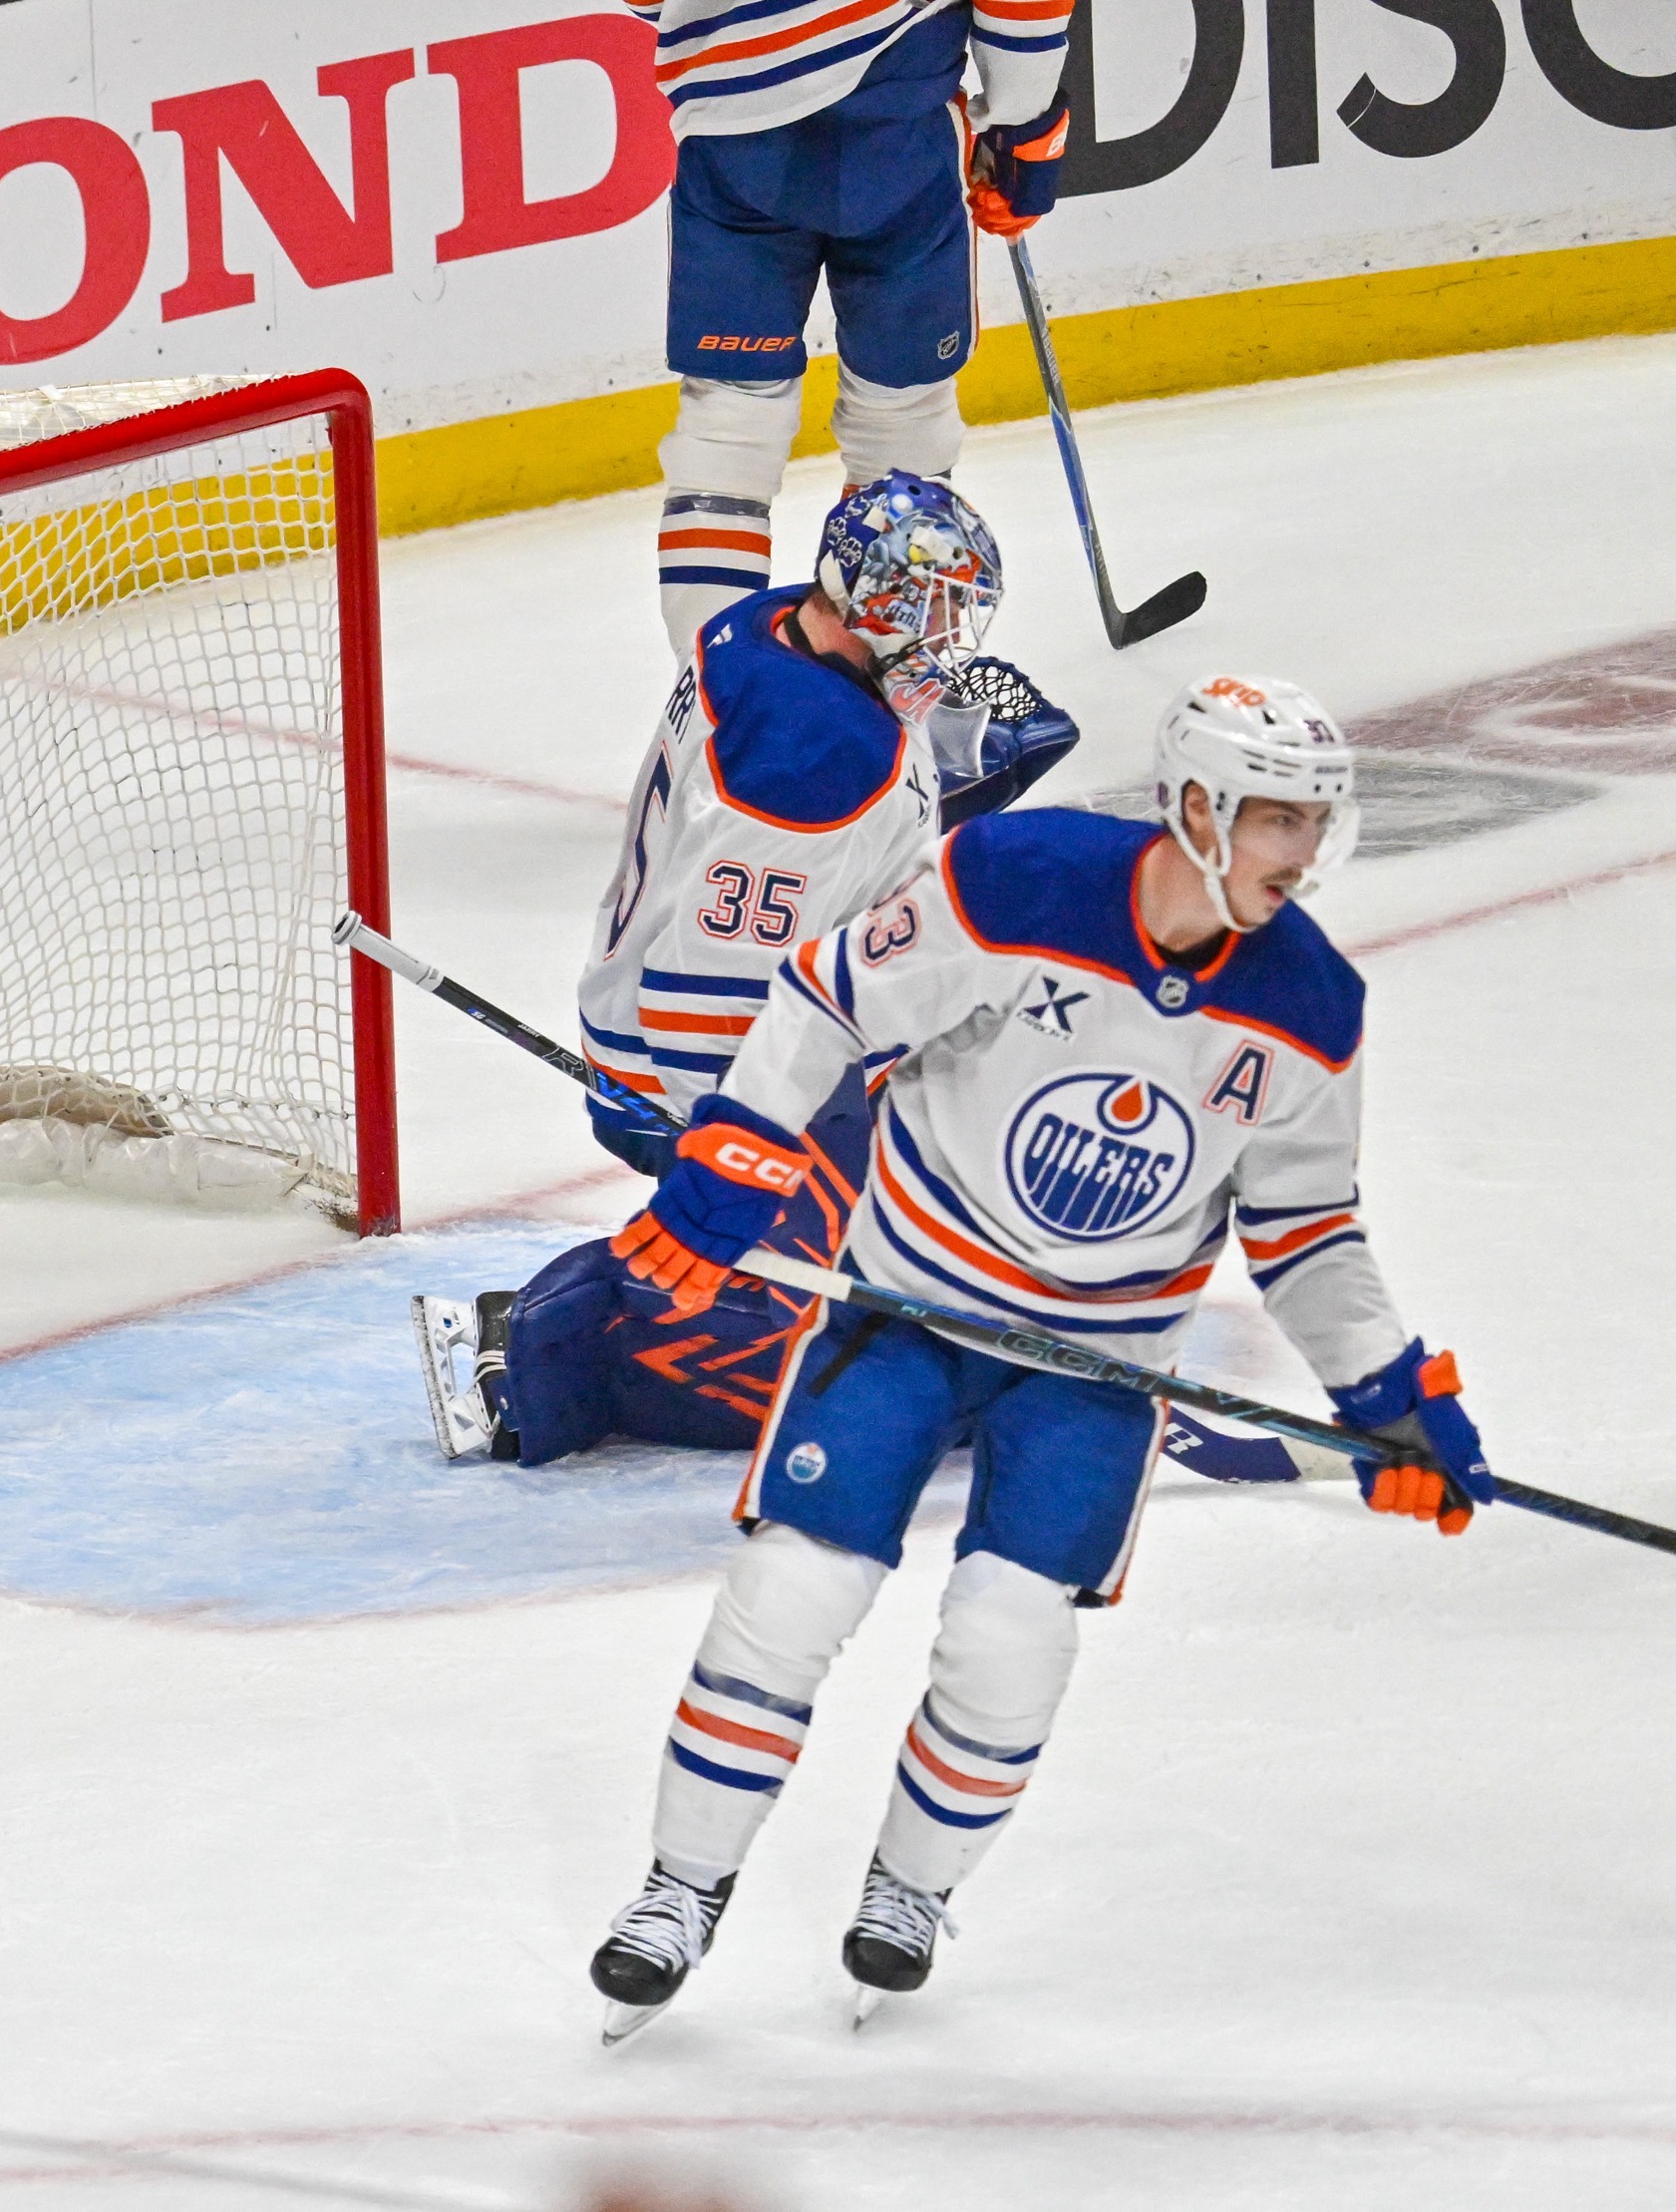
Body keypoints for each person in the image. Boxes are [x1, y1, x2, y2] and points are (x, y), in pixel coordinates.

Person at [577, 674, 1495, 2039]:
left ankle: (910, 1888)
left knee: (1011, 1638)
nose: (1304, 852)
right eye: (1279, 819)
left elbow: (1305, 1230)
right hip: (904, 1311)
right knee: (789, 1589)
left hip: (1096, 1368)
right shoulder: (1017, 881)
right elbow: (830, 996)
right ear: (1197, 807)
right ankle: (679, 1888)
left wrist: (1385, 1390)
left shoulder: (1313, 1005)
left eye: (1317, 820)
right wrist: (739, 1144)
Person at [416, 475, 1077, 1467]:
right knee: (813, 1375)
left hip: (770, 1013)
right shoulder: (807, 760)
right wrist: (738, 1145)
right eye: (935, 611)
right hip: (718, 1058)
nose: (948, 640)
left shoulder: (766, 625)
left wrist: (947, 775)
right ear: (877, 603)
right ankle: (549, 1355)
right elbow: (704, 991)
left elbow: (819, 859)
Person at [641, 0, 1076, 655]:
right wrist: (1022, 115)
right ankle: (880, 677)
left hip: (731, 132)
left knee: (730, 423)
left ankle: (719, 698)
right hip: (894, 125)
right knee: (902, 416)